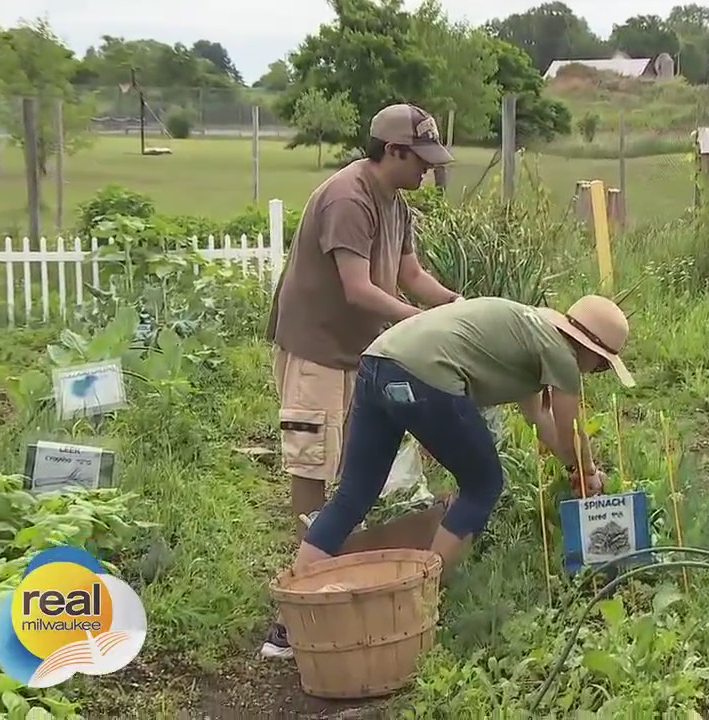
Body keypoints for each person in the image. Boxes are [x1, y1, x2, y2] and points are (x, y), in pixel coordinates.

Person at [260, 294, 635, 654]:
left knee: (353, 495)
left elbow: (540, 418)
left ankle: (286, 627)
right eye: (601, 365)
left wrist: (574, 467)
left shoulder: (531, 332)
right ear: (589, 350)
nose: (596, 371)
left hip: (378, 363)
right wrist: (589, 472)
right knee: (483, 484)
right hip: (422, 374)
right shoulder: (561, 355)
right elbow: (570, 429)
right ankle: (418, 606)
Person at [265, 103, 463, 548]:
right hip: (317, 348)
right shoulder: (349, 199)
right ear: (392, 151)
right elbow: (358, 289)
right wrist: (422, 323)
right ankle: (311, 560)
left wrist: (454, 305)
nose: (428, 170)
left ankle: (339, 547)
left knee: (350, 457)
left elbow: (411, 275)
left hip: (357, 349)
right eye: (421, 159)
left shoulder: (396, 204)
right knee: (312, 460)